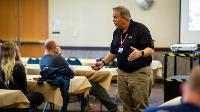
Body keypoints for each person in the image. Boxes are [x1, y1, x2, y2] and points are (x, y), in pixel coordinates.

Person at [92, 6, 154, 112]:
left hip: (139, 73)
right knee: (126, 105)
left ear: (125, 18)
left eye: (115, 17)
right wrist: (103, 62)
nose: (113, 20)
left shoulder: (140, 28)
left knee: (141, 106)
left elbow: (151, 49)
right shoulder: (116, 32)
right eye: (113, 17)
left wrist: (141, 53)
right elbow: (114, 52)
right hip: (122, 74)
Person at [40, 39, 119, 112]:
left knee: (85, 81)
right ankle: (114, 109)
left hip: (53, 85)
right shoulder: (57, 58)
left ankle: (87, 105)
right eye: (57, 46)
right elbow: (73, 71)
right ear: (54, 48)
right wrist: (60, 54)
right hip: (66, 86)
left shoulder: (42, 60)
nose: (58, 48)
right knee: (95, 86)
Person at [0, 41, 44, 111]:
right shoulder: (18, 66)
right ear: (15, 52)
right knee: (39, 96)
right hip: (16, 102)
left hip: (2, 102)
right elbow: (23, 89)